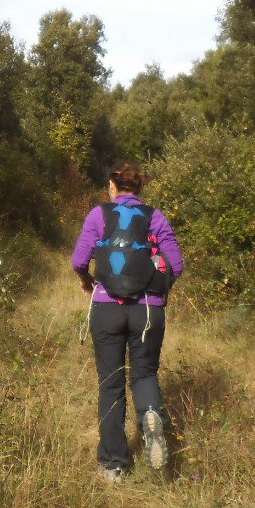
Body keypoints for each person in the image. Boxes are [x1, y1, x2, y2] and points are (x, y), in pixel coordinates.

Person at [71, 161, 185, 482]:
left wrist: (86, 281)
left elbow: (79, 260)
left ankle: (115, 464)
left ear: (112, 185)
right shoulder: (156, 217)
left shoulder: (98, 215)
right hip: (148, 309)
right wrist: (160, 292)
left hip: (106, 307)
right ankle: (149, 415)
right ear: (140, 189)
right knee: (145, 374)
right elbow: (176, 264)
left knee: (111, 383)